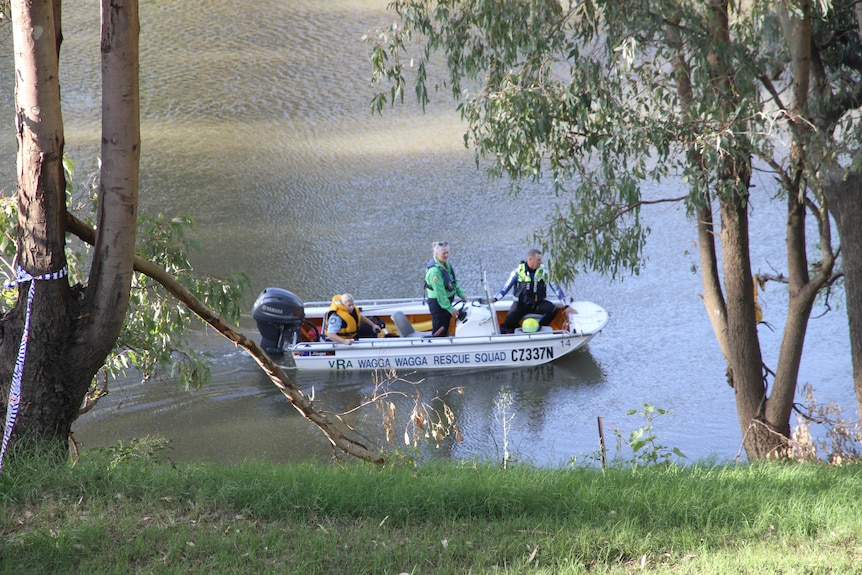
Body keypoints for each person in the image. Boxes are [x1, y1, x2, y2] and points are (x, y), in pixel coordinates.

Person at [493, 248, 575, 333]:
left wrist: (566, 305)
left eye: (540, 260)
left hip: (537, 304)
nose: (541, 262)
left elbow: (556, 289)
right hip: (520, 304)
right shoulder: (517, 272)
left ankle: (538, 328)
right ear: (530, 259)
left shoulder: (544, 272)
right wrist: (494, 299)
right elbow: (505, 288)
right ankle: (520, 332)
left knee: (553, 310)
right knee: (509, 321)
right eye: (538, 260)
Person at [424, 241, 468, 336]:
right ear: (436, 254)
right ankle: (436, 348)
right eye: (444, 253)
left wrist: (461, 294)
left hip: (446, 302)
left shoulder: (445, 264)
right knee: (439, 331)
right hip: (439, 304)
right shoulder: (434, 271)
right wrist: (449, 308)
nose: (446, 255)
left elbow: (453, 281)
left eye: (447, 252)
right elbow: (440, 293)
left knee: (446, 328)